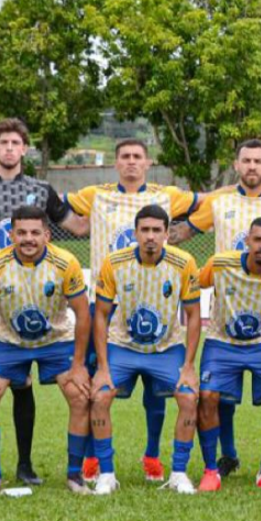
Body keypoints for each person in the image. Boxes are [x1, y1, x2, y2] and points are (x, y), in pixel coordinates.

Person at [170, 138, 261, 481]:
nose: (252, 167)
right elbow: (185, 232)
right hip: (226, 311)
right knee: (219, 395)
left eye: (258, 161)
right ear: (236, 165)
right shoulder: (219, 201)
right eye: (246, 161)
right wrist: (156, 242)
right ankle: (228, 455)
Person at [0, 118, 83, 486]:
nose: (9, 148)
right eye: (2, 142)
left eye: (15, 142)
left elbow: (78, 227)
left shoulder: (41, 190)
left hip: (34, 298)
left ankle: (24, 465)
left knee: (22, 385)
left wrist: (108, 205)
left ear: (25, 149)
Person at [65, 139, 200, 483]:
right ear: (116, 162)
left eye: (136, 156)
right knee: (99, 387)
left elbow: (210, 201)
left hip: (163, 339)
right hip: (112, 317)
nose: (130, 162)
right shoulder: (97, 195)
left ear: (147, 162)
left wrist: (197, 225)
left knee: (158, 396)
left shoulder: (168, 198)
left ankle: (156, 458)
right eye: (124, 156)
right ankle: (97, 463)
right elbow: (56, 205)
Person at [0, 206, 93, 494]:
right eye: (22, 232)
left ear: (47, 235)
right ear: (11, 234)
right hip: (8, 341)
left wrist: (78, 364)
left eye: (35, 232)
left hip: (55, 341)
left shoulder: (66, 262)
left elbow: (83, 313)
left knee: (79, 395)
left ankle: (75, 476)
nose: (28, 238)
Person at [89, 206, 202, 495]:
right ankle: (107, 473)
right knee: (100, 396)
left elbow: (193, 316)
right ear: (135, 232)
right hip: (123, 346)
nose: (150, 236)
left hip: (166, 349)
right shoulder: (114, 263)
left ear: (166, 233)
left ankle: (178, 472)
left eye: (156, 230)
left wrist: (188, 366)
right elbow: (100, 315)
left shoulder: (184, 262)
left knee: (189, 399)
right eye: (145, 230)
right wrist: (102, 367)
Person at [195, 218, 261, 492]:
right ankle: (210, 471)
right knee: (207, 396)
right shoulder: (220, 264)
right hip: (222, 340)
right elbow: (193, 283)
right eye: (257, 240)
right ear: (247, 242)